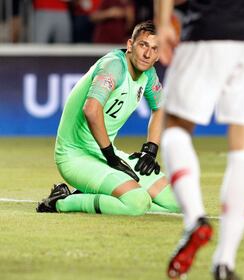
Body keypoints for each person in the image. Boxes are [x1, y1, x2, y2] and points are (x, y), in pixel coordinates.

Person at [155, 1, 244, 279]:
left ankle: (194, 220)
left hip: (209, 25)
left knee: (175, 126)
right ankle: (225, 261)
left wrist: (163, 21)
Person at [36, 21, 180, 216]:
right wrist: (111, 157)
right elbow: (91, 110)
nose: (147, 54)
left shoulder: (149, 73)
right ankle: (61, 201)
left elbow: (160, 109)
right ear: (130, 45)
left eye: (155, 49)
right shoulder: (114, 66)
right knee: (136, 203)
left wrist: (150, 151)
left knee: (176, 202)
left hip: (105, 154)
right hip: (75, 156)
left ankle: (101, 193)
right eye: (143, 45)